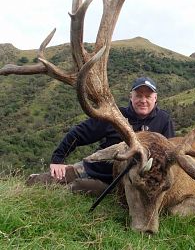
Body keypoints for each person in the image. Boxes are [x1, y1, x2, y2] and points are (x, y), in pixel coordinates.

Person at [27, 76, 175, 195]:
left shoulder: (163, 120)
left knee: (77, 188)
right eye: (138, 95)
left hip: (120, 182)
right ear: (131, 97)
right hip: (93, 167)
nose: (143, 100)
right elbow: (79, 133)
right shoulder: (115, 116)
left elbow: (169, 159)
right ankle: (33, 179)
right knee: (43, 181)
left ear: (155, 98)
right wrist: (58, 159)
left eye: (148, 96)